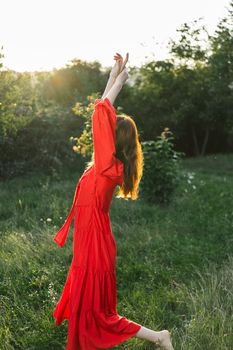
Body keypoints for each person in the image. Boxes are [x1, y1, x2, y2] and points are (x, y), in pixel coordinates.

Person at [53, 52, 175, 350]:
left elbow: (100, 111)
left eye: (109, 130)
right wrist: (113, 73)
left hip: (95, 244)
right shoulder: (107, 164)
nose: (103, 130)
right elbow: (102, 112)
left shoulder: (107, 168)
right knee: (91, 309)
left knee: (101, 314)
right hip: (92, 239)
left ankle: (159, 336)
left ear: (112, 140)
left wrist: (119, 82)